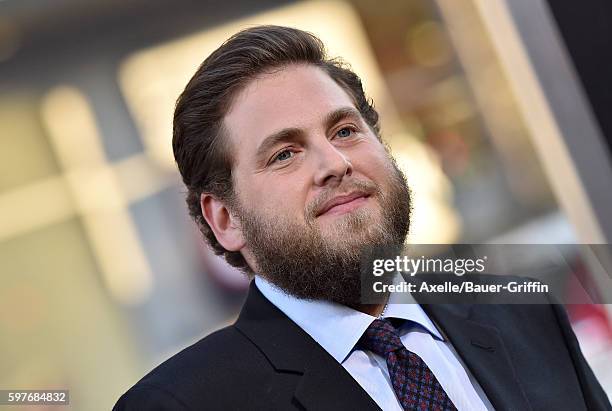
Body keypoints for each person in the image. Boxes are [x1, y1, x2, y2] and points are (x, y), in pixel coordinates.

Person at [113, 25, 610, 410]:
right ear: (225, 219)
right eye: (285, 154)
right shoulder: (184, 404)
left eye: (345, 130)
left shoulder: (524, 317)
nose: (334, 164)